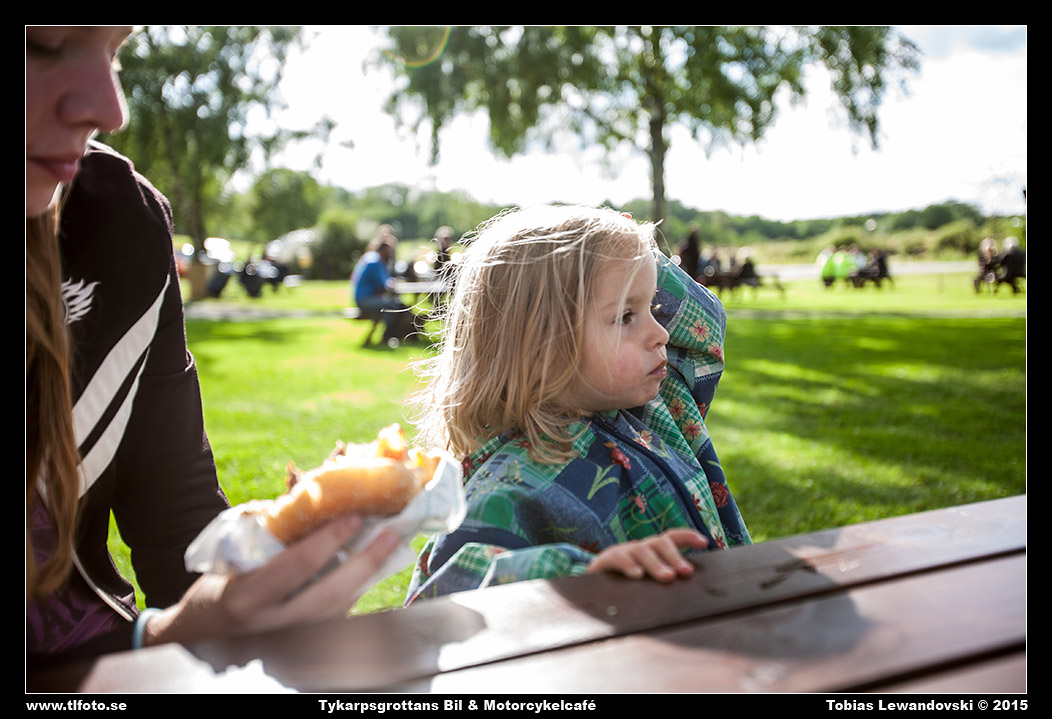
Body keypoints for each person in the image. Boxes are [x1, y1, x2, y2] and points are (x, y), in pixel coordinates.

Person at [26, 26, 399, 670]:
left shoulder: (122, 224)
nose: (111, 111)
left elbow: (175, 517)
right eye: (45, 44)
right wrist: (163, 638)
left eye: (116, 53)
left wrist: (246, 601)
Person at [405, 206, 749, 602]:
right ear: (541, 345)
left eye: (652, 308)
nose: (661, 334)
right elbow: (445, 593)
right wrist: (582, 579)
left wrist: (628, 246)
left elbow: (704, 329)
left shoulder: (657, 410)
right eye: (626, 316)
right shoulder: (510, 483)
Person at [350, 236, 414, 344]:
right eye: (390, 250)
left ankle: (395, 335)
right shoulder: (374, 261)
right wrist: (393, 283)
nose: (392, 253)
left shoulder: (371, 257)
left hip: (365, 297)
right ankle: (386, 337)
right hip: (365, 299)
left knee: (397, 304)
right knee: (394, 307)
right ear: (384, 250)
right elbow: (385, 284)